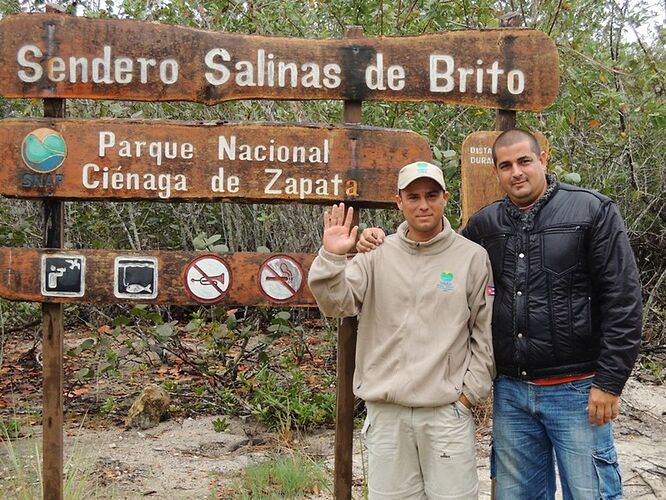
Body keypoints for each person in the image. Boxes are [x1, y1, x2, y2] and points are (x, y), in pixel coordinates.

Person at [357, 129, 643, 500]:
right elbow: (435, 254)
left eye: (524, 161)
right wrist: (378, 240)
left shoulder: (591, 211)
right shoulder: (485, 226)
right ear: (496, 172)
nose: (516, 172)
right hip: (512, 392)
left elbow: (623, 299)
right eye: (505, 165)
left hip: (576, 390)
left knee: (591, 493)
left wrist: (609, 382)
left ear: (544, 159)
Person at [308, 161, 495, 499]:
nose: (423, 205)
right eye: (413, 197)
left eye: (431, 195)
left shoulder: (472, 257)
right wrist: (333, 258)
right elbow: (337, 304)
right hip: (387, 414)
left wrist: (468, 396)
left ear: (445, 198)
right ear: (399, 201)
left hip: (446, 413)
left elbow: (484, 332)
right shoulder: (375, 253)